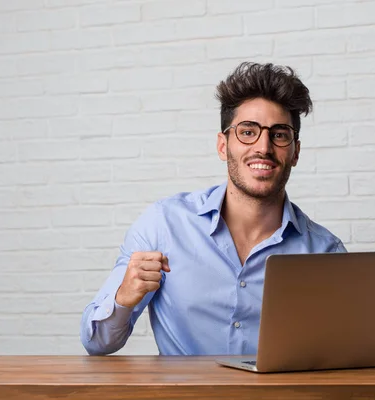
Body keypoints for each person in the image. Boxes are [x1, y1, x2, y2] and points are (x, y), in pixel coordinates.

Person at [80, 62, 347, 356]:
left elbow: (337, 356)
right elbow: (97, 342)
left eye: (279, 134)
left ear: (295, 151)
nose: (264, 147)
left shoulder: (325, 253)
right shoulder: (163, 225)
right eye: (248, 132)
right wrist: (123, 297)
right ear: (223, 146)